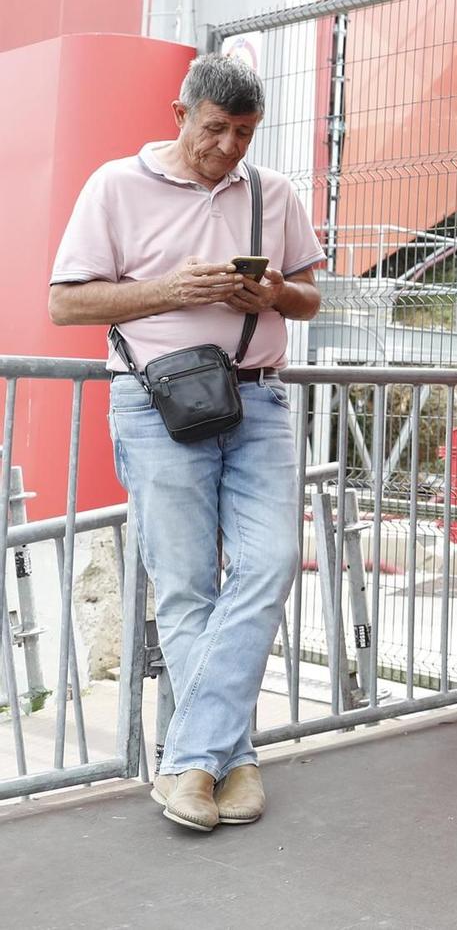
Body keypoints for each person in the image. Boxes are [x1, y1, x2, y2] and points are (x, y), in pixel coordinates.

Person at [48, 54, 323, 831]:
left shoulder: (273, 193)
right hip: (156, 400)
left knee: (270, 561)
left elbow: (310, 293)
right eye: (216, 129)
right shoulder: (114, 186)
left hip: (259, 398)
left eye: (244, 133)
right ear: (180, 113)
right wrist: (173, 289)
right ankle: (231, 764)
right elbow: (66, 303)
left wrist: (272, 293)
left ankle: (188, 761)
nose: (230, 147)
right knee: (187, 585)